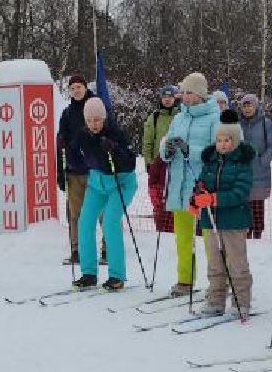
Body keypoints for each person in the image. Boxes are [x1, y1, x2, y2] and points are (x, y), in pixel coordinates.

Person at [191, 109, 255, 317]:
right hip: (210, 220)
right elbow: (201, 184)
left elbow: (240, 192)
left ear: (235, 140)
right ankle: (215, 300)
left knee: (237, 264)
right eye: (219, 140)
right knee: (215, 264)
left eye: (227, 140)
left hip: (234, 221)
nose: (222, 144)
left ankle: (241, 301)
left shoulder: (242, 163)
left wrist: (214, 198)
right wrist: (196, 200)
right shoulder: (210, 161)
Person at [160, 72, 219, 296]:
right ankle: (185, 279)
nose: (184, 97)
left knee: (209, 238)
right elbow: (166, 144)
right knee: (183, 237)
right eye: (182, 92)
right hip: (179, 184)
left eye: (189, 93)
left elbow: (216, 152)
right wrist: (167, 149)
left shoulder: (214, 117)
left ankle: (217, 281)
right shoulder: (179, 118)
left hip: (201, 186)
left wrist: (190, 151)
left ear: (200, 95)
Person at [71, 96, 139, 290]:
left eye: (97, 120)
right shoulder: (83, 135)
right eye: (90, 120)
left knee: (110, 222)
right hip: (96, 185)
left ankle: (116, 275)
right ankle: (89, 273)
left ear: (104, 118)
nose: (94, 124)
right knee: (84, 223)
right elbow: (76, 161)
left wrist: (115, 149)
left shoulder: (115, 133)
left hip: (121, 183)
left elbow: (130, 162)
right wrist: (66, 150)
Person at [55, 73, 91, 264]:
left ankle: (106, 249)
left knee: (101, 213)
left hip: (95, 170)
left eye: (79, 87)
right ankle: (77, 250)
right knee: (74, 213)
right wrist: (60, 173)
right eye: (73, 88)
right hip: (74, 170)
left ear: (85, 88)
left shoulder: (94, 106)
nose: (76, 90)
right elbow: (59, 143)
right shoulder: (67, 113)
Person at [140, 84, 179, 236]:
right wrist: (149, 162)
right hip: (158, 164)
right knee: (159, 199)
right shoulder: (154, 117)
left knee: (175, 199)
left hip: (176, 163)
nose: (167, 100)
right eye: (165, 97)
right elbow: (148, 141)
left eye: (170, 96)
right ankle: (161, 229)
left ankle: (176, 228)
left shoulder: (180, 115)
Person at [237, 93, 272, 239]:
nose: (247, 109)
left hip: (260, 171)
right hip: (241, 171)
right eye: (244, 106)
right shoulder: (238, 124)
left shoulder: (266, 123)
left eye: (250, 105)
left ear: (256, 106)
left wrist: (262, 161)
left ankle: (258, 233)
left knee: (257, 205)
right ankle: (246, 232)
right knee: (243, 203)